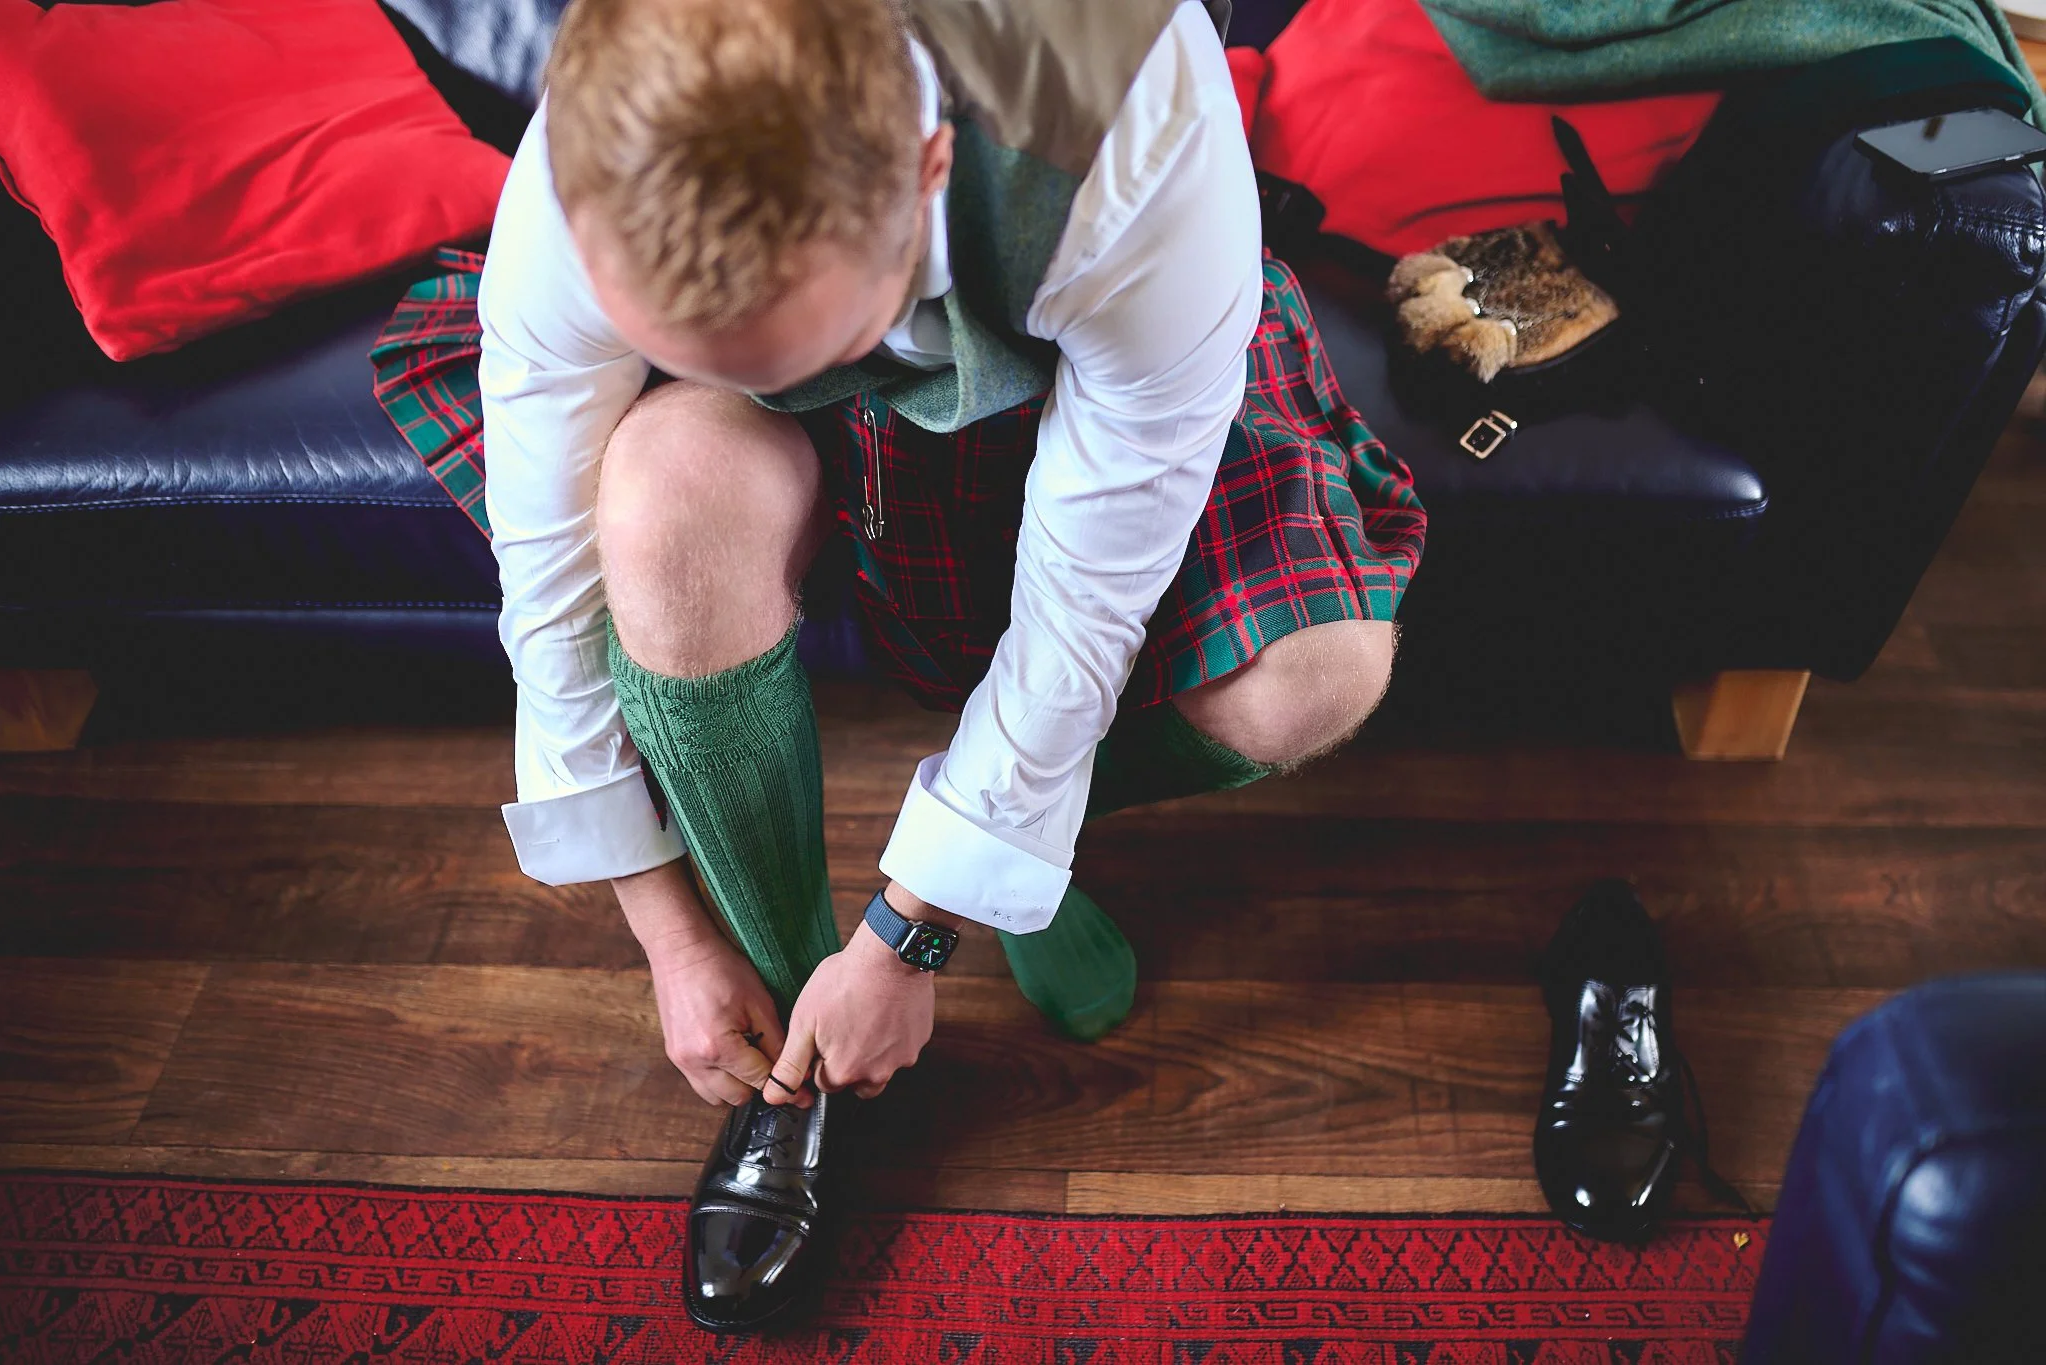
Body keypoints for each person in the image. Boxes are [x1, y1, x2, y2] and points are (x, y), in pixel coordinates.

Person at [469, 0, 1425, 1331]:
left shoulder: (1136, 129)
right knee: (653, 495)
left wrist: (916, 929)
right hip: (804, 354)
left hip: (1084, 324)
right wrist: (665, 928)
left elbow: (1087, 603)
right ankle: (798, 1047)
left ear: (925, 162)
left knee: (1317, 673)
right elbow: (552, 577)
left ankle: (1010, 867)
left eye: (800, 347)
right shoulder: (588, 163)